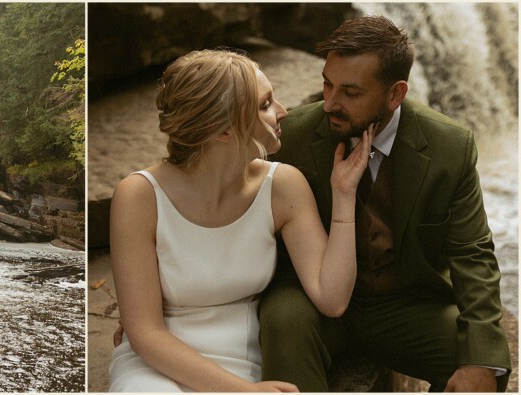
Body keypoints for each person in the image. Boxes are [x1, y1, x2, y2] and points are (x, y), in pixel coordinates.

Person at [259, 15, 511, 392]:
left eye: (350, 92)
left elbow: (472, 253)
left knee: (480, 359)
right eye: (327, 85)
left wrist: (481, 359)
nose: (329, 103)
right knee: (282, 317)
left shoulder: (450, 146)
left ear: (396, 94)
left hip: (409, 308)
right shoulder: (291, 138)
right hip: (314, 303)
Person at [108, 49, 374, 392]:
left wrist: (344, 195)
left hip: (244, 359)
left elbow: (332, 298)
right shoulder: (139, 196)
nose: (283, 112)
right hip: (155, 364)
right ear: (222, 129)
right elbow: (145, 333)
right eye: (265, 105)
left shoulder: (282, 186)